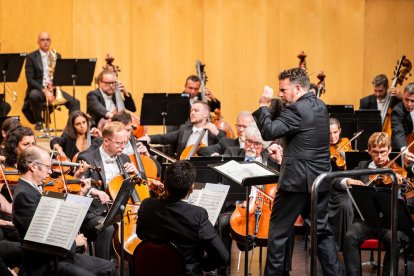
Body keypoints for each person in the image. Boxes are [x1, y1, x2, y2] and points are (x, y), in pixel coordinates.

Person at [252, 67, 340, 275]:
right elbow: (304, 139)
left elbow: (269, 131)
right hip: (319, 180)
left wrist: (263, 105)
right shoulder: (320, 105)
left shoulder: (296, 109)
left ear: (298, 87)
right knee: (322, 232)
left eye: (283, 90)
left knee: (278, 234)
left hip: (296, 182)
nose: (280, 94)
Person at [12, 145, 117, 275]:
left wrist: (80, 196)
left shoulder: (31, 189)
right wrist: (73, 243)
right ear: (33, 166)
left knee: (109, 267)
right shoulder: (24, 194)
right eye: (47, 167)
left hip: (57, 256)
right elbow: (38, 240)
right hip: (45, 264)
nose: (50, 172)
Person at [136, 160, 229, 276]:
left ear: (164, 183)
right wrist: (203, 264)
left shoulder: (147, 205)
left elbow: (140, 234)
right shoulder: (198, 214)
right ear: (191, 188)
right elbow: (223, 256)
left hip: (151, 270)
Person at [340, 132, 411, 275]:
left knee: (394, 239)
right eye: (375, 152)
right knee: (350, 237)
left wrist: (397, 186)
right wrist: (346, 181)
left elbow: (405, 193)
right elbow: (337, 180)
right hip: (366, 221)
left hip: (389, 223)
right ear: (369, 150)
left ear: (390, 150)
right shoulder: (362, 166)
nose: (379, 157)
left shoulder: (397, 170)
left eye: (383, 152)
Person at [22, 32, 80, 130]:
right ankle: (39, 122)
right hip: (39, 89)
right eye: (43, 40)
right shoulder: (31, 57)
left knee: (75, 102)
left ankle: (71, 127)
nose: (45, 42)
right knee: (33, 95)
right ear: (38, 42)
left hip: (53, 88)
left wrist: (53, 87)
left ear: (50, 41)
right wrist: (44, 90)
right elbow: (30, 79)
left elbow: (60, 75)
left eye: (47, 40)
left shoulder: (57, 55)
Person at [141, 101, 226, 159]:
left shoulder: (213, 132)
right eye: (191, 110)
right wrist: (149, 138)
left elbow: (227, 145)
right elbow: (164, 138)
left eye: (196, 111)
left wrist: (216, 132)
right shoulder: (184, 130)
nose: (192, 113)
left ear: (206, 114)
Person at [328, 118, 354, 251]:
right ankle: (341, 245)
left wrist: (346, 155)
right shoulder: (323, 149)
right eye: (329, 133)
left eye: (335, 132)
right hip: (332, 188)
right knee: (345, 204)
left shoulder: (346, 143)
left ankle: (350, 244)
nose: (332, 137)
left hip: (349, 187)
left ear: (340, 131)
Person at [391, 82, 414, 150]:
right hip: (401, 148)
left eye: (412, 101)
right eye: (406, 100)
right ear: (403, 97)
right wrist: (404, 149)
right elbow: (398, 131)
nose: (409, 104)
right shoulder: (398, 110)